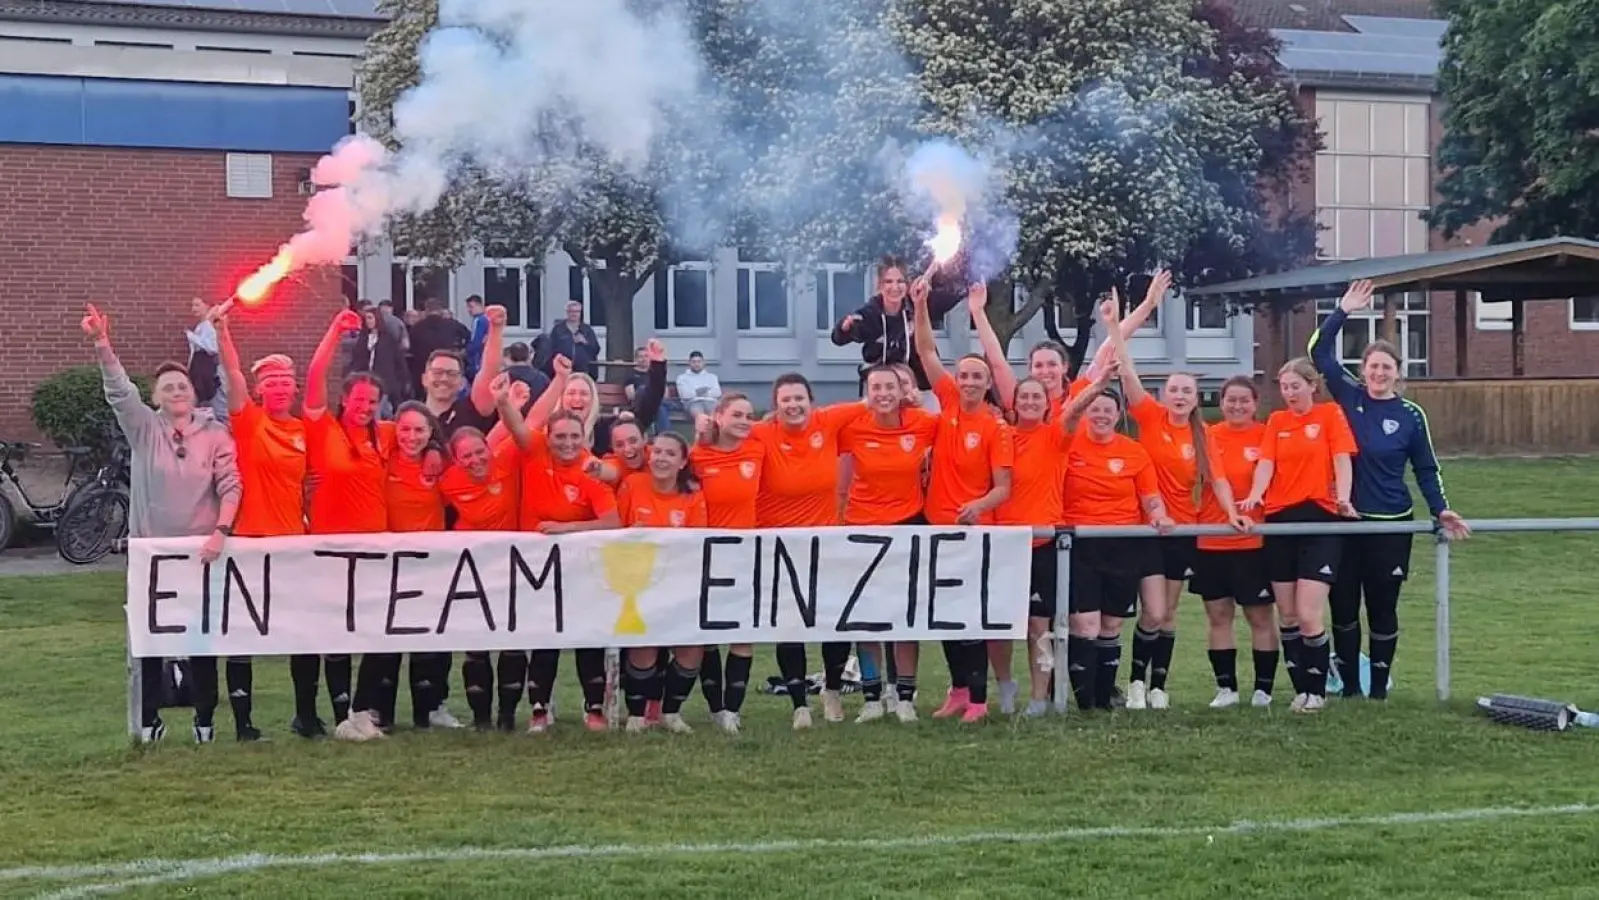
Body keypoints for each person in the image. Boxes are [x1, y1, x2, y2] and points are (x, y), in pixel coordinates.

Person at [83, 303, 242, 744]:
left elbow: (231, 485)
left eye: (182, 385)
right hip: (152, 558)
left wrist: (221, 531)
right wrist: (102, 343)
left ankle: (205, 721)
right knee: (151, 643)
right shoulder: (144, 429)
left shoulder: (214, 433)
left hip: (203, 557)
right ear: (155, 397)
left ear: (194, 392)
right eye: (167, 387)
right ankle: (151, 721)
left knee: (200, 642)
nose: (176, 390)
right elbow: (119, 391)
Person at [1311, 279, 1470, 700]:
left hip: (1390, 526)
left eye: (1386, 367)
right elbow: (1318, 354)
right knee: (1343, 610)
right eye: (1372, 366)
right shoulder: (1348, 396)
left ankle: (1378, 691)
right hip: (1345, 524)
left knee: (1382, 609)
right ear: (1363, 369)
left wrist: (1441, 510)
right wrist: (1341, 310)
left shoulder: (1410, 415)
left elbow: (1425, 468)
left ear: (1398, 373)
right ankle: (1348, 688)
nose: (1378, 373)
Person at [1062, 300, 1176, 712]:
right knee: (1085, 624)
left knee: (1111, 625)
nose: (1101, 416)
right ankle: (1084, 698)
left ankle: (1105, 693)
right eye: (1095, 409)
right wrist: (1117, 321)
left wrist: (1160, 515)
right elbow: (1105, 356)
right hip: (1081, 546)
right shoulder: (1070, 439)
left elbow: (1150, 498)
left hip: (1123, 545)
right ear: (1086, 411)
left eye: (1108, 410)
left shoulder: (1133, 452)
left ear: (1117, 414)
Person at [910, 279, 1013, 723]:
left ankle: (978, 699)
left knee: (971, 616)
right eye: (965, 375)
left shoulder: (996, 426)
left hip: (974, 532)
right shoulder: (948, 401)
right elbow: (926, 352)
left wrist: (978, 506)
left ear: (989, 383)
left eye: (977, 377)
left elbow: (1003, 487)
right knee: (945, 613)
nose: (969, 382)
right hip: (937, 526)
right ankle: (956, 690)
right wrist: (919, 305)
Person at [992, 358, 1114, 716]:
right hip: (1007, 544)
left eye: (1037, 397)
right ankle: (1003, 688)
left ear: (1047, 403)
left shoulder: (1056, 435)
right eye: (1024, 396)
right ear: (1014, 402)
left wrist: (1100, 382)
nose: (1030, 402)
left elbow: (1075, 410)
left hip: (1045, 545)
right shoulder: (1001, 436)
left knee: (1039, 625)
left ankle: (1039, 696)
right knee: (1001, 623)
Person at [507, 358, 622, 733]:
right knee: (543, 636)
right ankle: (540, 710)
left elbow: (612, 521)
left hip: (578, 566)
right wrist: (504, 403)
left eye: (574, 437)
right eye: (561, 437)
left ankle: (594, 710)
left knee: (585, 634)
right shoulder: (536, 449)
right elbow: (519, 431)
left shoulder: (590, 467)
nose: (568, 443)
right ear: (549, 436)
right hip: (535, 565)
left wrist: (565, 528)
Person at [1239, 358, 1359, 714]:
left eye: (1296, 386)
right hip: (1280, 520)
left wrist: (1343, 499)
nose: (1289, 393)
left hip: (1319, 518)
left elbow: (1342, 459)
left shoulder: (1329, 415)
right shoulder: (1277, 421)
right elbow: (1266, 463)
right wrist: (1258, 493)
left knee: (1309, 615)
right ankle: (1301, 690)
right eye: (1284, 387)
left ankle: (1318, 691)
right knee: (1287, 615)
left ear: (1312, 386)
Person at [213, 307, 310, 743]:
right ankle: (243, 723)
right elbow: (231, 372)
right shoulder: (249, 422)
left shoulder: (304, 429)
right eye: (270, 384)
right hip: (250, 541)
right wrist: (222, 330)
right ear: (259, 390)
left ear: (294, 389)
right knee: (243, 633)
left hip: (293, 543)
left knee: (302, 631)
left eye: (285, 383)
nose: (278, 390)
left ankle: (306, 716)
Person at [1112, 276, 1207, 711]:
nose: (1181, 396)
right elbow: (1126, 371)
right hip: (1147, 530)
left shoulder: (1204, 435)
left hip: (1183, 532)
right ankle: (1134, 681)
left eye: (1187, 391)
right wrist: (1116, 325)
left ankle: (1158, 685)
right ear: (1164, 395)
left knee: (1168, 614)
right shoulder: (1149, 416)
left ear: (1195, 398)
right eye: (1174, 390)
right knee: (1149, 613)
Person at [749, 373, 866, 727]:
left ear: (811, 402)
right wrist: (707, 426)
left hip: (825, 544)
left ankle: (831, 690)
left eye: (799, 398)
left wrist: (904, 393)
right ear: (776, 405)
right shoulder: (761, 433)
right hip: (778, 547)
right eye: (786, 399)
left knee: (835, 623)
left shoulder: (827, 421)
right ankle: (799, 705)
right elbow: (724, 434)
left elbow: (872, 401)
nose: (793, 405)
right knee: (789, 626)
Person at [299, 309, 394, 741]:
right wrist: (334, 331)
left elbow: (424, 435)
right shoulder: (323, 427)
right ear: (345, 398)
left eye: (372, 403)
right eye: (359, 400)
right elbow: (316, 374)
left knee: (377, 629)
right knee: (335, 630)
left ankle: (361, 709)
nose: (365, 408)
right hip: (330, 548)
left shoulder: (384, 435)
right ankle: (339, 714)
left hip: (375, 547)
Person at [838, 366, 941, 722]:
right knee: (866, 619)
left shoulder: (922, 423)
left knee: (904, 617)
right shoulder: (852, 425)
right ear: (866, 392)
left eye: (890, 387)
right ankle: (871, 697)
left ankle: (905, 697)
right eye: (875, 387)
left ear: (903, 391)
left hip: (908, 525)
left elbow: (958, 429)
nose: (883, 393)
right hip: (861, 528)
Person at [356, 400, 448, 732]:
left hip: (430, 565)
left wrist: (436, 447)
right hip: (387, 564)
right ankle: (377, 711)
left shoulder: (440, 464)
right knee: (385, 640)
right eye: (405, 429)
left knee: (430, 640)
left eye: (421, 430)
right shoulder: (384, 454)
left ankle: (430, 710)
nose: (412, 436)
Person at [1190, 376, 1277, 708]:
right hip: (1211, 540)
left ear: (1255, 404)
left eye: (1244, 400)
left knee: (1259, 617)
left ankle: (1263, 689)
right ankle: (1226, 688)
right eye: (1231, 400)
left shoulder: (1266, 434)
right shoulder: (1209, 436)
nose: (1237, 406)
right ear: (1221, 402)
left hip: (1253, 542)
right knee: (1219, 616)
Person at [616, 432, 709, 732]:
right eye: (657, 452)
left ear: (683, 462)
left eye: (670, 454)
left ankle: (671, 712)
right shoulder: (632, 485)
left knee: (691, 648)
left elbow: (697, 542)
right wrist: (632, 533)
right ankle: (637, 715)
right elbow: (613, 532)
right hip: (638, 583)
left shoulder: (693, 496)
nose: (661, 458)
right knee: (643, 647)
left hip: (679, 583)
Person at [689, 393, 764, 734]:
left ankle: (733, 710)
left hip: (745, 555)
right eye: (736, 414)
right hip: (704, 557)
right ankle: (715, 707)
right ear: (718, 416)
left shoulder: (758, 448)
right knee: (708, 635)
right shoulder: (697, 456)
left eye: (749, 416)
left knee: (742, 633)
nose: (744, 421)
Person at [829, 255, 964, 394]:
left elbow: (952, 295)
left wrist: (969, 282)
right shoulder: (871, 313)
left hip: (919, 388)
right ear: (880, 285)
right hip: (882, 389)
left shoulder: (918, 304)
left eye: (900, 281)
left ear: (907, 283)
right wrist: (845, 328)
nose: (895, 287)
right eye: (888, 281)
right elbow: (840, 337)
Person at [349, 303, 410, 416]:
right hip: (366, 378)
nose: (368, 321)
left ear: (377, 319)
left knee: (381, 410)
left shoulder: (388, 338)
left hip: (384, 380)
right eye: (366, 318)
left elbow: (398, 360)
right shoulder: (363, 338)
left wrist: (403, 380)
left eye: (370, 318)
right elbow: (357, 358)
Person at [406, 297, 471, 400]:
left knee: (424, 399)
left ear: (426, 310)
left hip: (422, 369)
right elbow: (468, 337)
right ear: (440, 310)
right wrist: (461, 350)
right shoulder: (451, 325)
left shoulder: (417, 327)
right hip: (446, 366)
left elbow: (411, 347)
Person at [185, 296, 226, 425]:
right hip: (199, 369)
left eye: (197, 305)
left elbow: (212, 348)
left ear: (207, 307)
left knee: (214, 400)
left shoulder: (209, 326)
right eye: (193, 305)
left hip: (209, 369)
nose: (194, 309)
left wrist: (192, 337)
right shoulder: (201, 326)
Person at [543, 300, 601, 379]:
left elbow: (596, 349)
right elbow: (550, 349)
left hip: (583, 371)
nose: (574, 314)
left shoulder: (587, 330)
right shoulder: (558, 329)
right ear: (567, 313)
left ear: (580, 313)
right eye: (571, 311)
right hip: (562, 370)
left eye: (577, 311)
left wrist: (585, 342)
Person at [625, 346, 671, 434]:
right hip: (642, 405)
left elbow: (665, 393)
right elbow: (631, 395)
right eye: (641, 356)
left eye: (646, 356)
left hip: (658, 402)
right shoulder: (631, 375)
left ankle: (663, 434)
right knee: (643, 390)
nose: (644, 359)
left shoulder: (655, 373)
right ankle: (665, 435)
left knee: (659, 406)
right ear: (636, 359)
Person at [676, 351, 723, 420]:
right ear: (689, 363)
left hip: (711, 402)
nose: (696, 364)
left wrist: (696, 392)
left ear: (703, 362)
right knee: (701, 418)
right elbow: (685, 395)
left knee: (715, 417)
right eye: (694, 362)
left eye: (699, 361)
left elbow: (717, 393)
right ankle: (703, 428)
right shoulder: (682, 378)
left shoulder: (712, 377)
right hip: (693, 403)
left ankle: (712, 429)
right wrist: (706, 391)